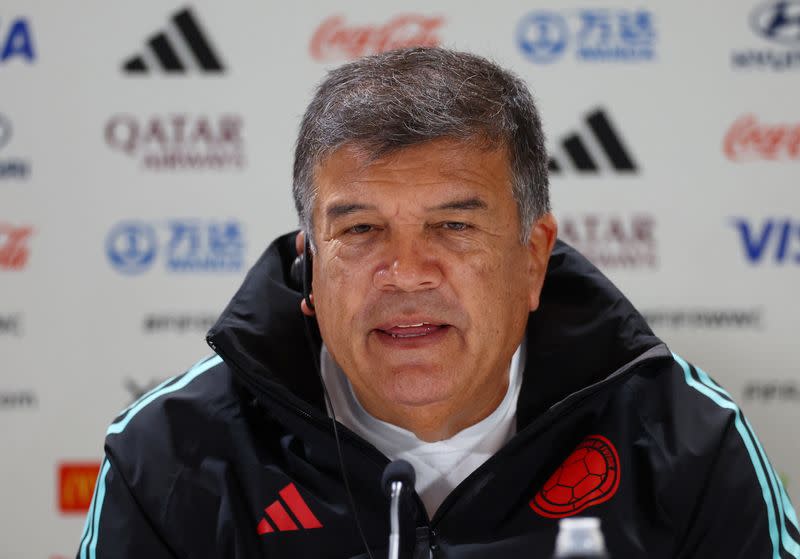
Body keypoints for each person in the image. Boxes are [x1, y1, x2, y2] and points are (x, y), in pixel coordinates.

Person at [77, 47, 799, 558]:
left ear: (532, 259)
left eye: (453, 226)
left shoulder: (688, 444)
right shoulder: (170, 453)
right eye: (360, 229)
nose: (407, 273)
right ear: (309, 265)